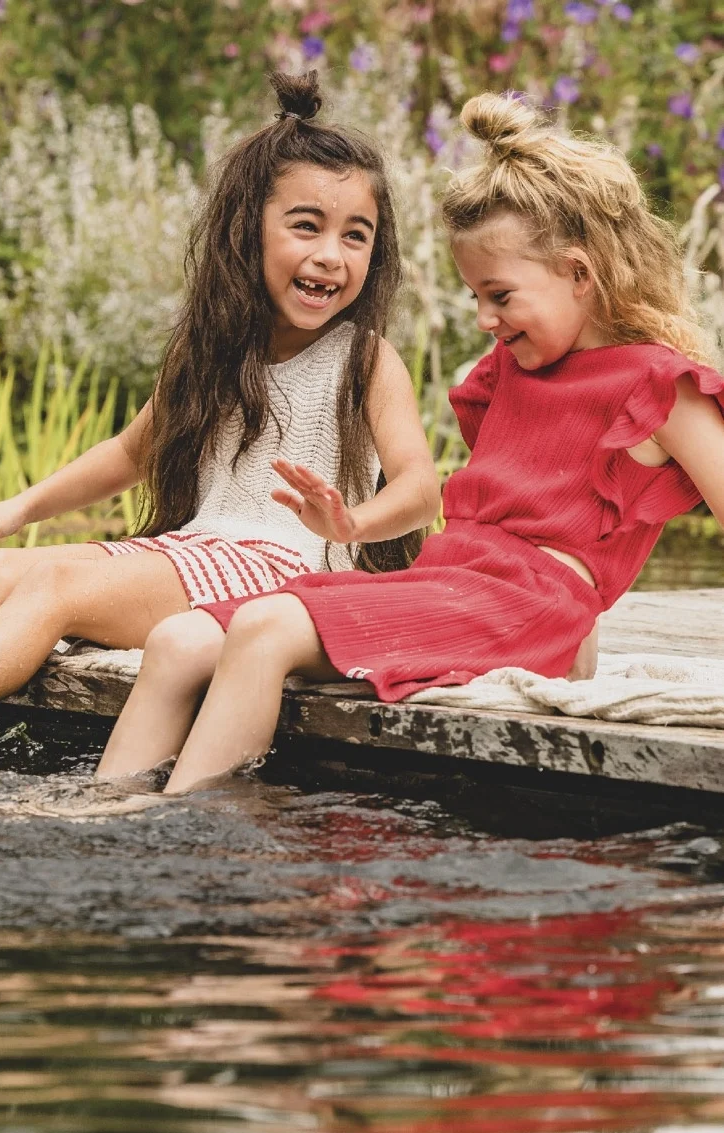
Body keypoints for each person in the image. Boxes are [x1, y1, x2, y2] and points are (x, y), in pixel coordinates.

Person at [95, 91, 724, 794]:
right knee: (179, 639)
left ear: (580, 273)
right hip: (450, 584)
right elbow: (508, 514)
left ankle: (185, 841)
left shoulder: (664, 388)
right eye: (474, 297)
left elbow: (570, 558)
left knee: (266, 628)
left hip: (526, 608)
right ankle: (98, 815)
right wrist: (354, 525)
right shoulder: (511, 370)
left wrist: (570, 635)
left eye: (500, 295)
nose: (485, 318)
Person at [0, 71, 440, 767]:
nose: (332, 254)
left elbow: (421, 487)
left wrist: (353, 522)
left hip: (285, 573)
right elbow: (129, 452)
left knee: (52, 588)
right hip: (202, 549)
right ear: (248, 230)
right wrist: (15, 510)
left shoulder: (364, 359)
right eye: (306, 226)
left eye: (357, 236)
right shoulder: (211, 352)